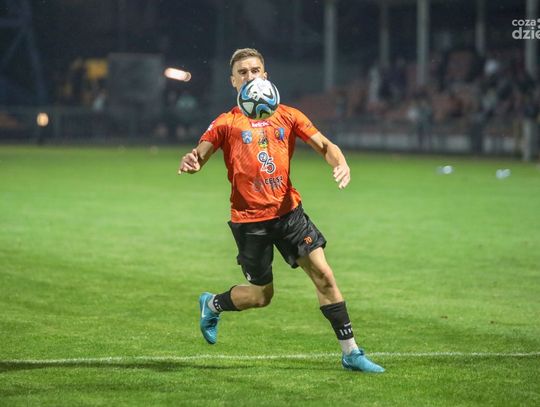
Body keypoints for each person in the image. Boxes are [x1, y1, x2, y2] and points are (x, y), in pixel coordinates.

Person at [178, 48, 384, 373]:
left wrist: (340, 162)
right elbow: (198, 156)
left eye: (255, 70)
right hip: (250, 222)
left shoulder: (288, 115)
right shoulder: (226, 122)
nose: (250, 76)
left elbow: (325, 146)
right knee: (262, 296)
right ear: (233, 81)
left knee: (324, 276)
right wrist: (191, 162)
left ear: (265, 75)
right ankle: (213, 304)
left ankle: (351, 353)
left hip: (289, 214)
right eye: (242, 72)